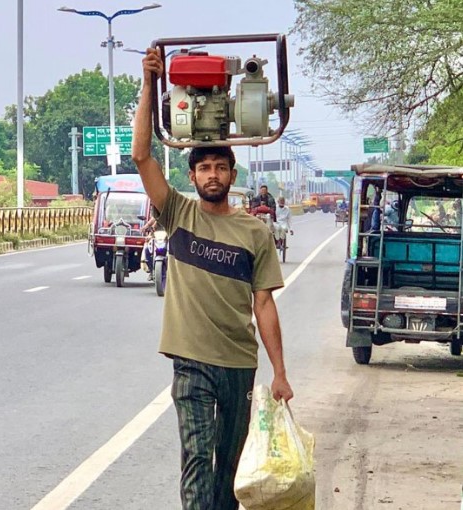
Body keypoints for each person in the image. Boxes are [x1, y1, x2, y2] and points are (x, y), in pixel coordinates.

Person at [133, 48, 293, 510]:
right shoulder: (178, 213)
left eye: (220, 167)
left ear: (232, 173)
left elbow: (264, 304)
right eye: (204, 168)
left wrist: (280, 372)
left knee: (230, 465)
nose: (213, 174)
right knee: (198, 457)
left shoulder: (254, 231)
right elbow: (142, 155)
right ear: (192, 175)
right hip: (191, 361)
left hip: (239, 363)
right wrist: (149, 83)